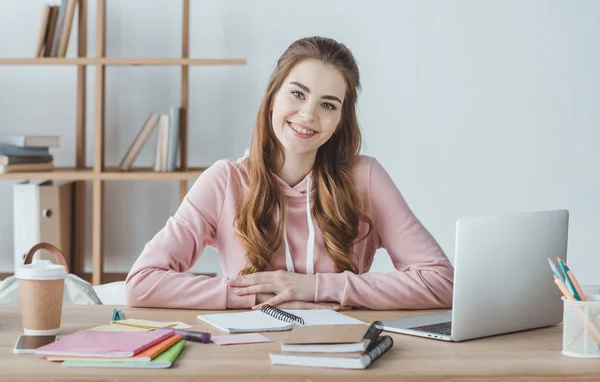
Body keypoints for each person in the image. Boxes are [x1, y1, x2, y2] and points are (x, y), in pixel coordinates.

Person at [125, 36, 454, 311]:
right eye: (298, 94)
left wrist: (317, 287)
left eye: (328, 105)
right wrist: (257, 295)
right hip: (250, 356)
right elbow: (142, 283)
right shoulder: (225, 181)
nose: (308, 114)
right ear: (272, 98)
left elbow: (442, 282)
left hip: (342, 351)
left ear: (340, 120)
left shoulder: (365, 177)